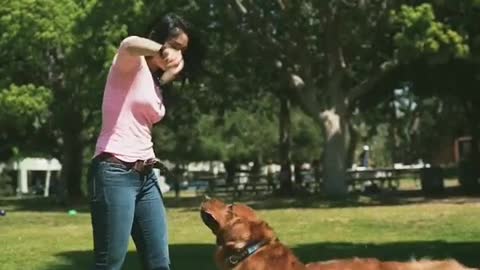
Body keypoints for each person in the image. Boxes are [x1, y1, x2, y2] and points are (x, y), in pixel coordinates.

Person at [88, 13, 203, 270]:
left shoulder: (153, 81)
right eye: (176, 45)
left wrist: (170, 71)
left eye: (182, 50)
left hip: (146, 177)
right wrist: (162, 51)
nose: (178, 54)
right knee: (110, 264)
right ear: (158, 39)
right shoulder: (130, 65)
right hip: (114, 170)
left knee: (159, 264)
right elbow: (128, 43)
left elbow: (149, 96)